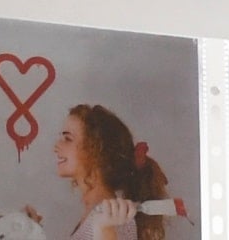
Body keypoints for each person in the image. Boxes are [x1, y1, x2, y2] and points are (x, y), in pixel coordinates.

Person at [50, 103, 171, 240]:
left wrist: (106, 231)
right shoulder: (99, 214)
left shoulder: (116, 220)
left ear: (96, 150)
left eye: (68, 139)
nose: (56, 146)